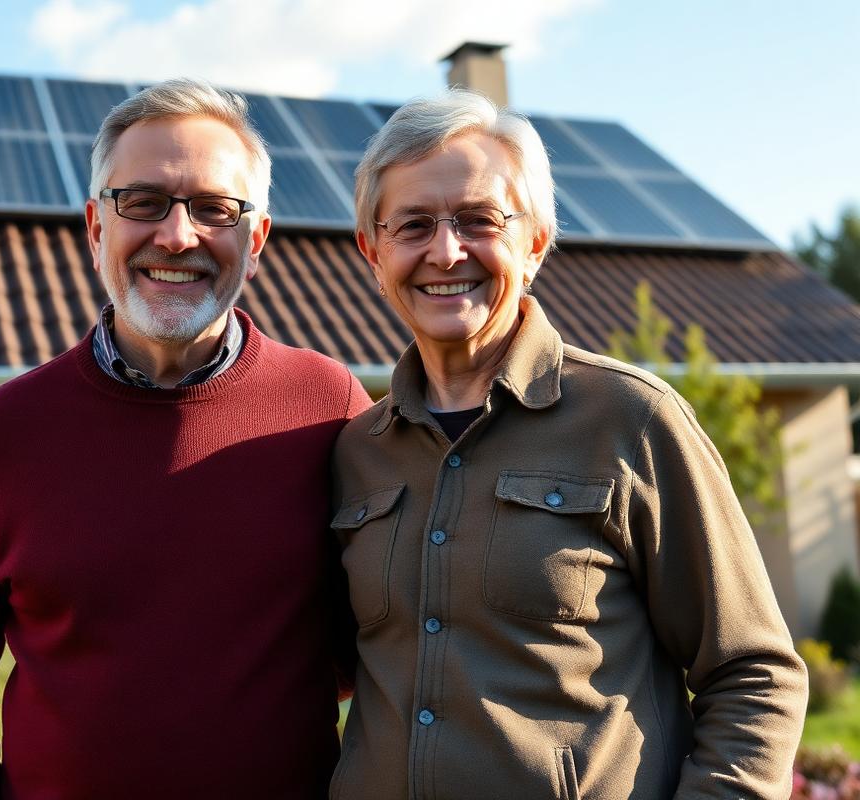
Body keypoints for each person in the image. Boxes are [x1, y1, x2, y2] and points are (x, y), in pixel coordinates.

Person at [0, 78, 370, 799]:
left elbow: (376, 648)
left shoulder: (329, 407)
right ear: (95, 227)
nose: (178, 236)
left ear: (258, 237)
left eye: (215, 208)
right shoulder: (6, 432)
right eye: (142, 202)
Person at [329, 89, 808, 799]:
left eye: (478, 220)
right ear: (373, 250)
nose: (445, 250)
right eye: (414, 225)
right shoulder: (355, 451)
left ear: (535, 246)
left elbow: (753, 671)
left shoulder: (633, 420)